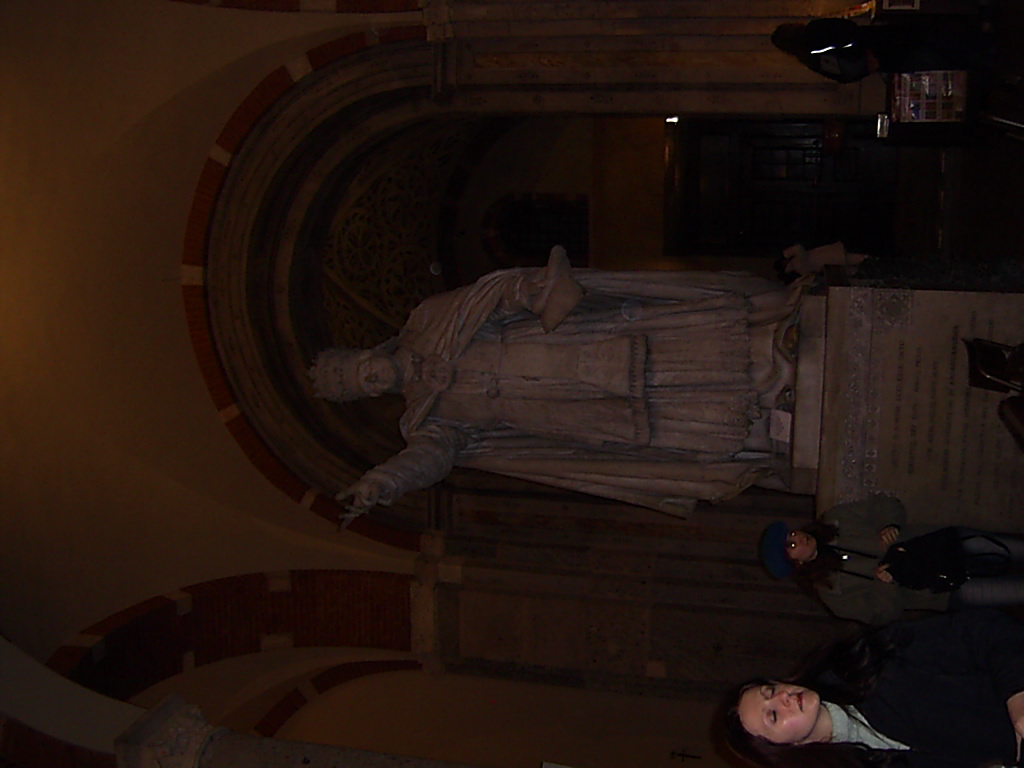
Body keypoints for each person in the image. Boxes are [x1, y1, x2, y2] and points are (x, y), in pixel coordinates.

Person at [310, 246, 804, 522]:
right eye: (363, 385)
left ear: (367, 352)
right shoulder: (423, 419)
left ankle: (774, 351)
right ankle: (769, 421)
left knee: (675, 352)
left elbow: (490, 298)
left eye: (361, 367)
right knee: (666, 414)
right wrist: (385, 481)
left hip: (567, 344)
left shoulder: (426, 321)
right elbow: (432, 456)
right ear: (369, 394)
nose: (370, 376)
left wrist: (530, 293)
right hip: (566, 412)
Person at [722, 608, 1024, 768]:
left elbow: (984, 631)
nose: (783, 698)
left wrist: (1017, 694)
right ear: (784, 750)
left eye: (770, 690)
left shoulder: (865, 661)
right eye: (773, 715)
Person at [760, 495, 1024, 625]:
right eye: (792, 545)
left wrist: (890, 525)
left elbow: (885, 503)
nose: (799, 538)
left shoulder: (836, 520)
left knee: (1014, 549)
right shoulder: (833, 592)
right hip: (945, 588)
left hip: (945, 545)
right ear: (797, 564)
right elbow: (883, 616)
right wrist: (884, 584)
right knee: (1013, 591)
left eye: (792, 534)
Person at [771, 17, 986, 84]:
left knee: (931, 59)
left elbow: (842, 75)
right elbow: (849, 29)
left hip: (882, 61)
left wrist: (867, 66)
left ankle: (978, 61)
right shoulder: (816, 29)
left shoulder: (809, 59)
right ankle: (980, 42)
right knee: (933, 40)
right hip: (881, 40)